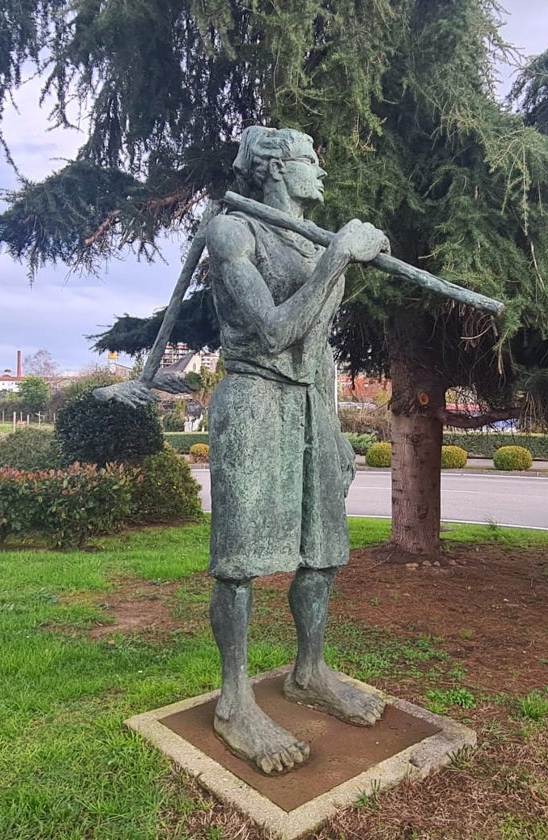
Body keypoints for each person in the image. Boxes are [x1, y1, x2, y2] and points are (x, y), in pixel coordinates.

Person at [204, 126, 390, 774]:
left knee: (323, 550)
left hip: (309, 403)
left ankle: (308, 671)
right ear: (279, 168)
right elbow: (278, 329)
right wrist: (340, 256)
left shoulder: (311, 243)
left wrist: (333, 424)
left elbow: (316, 347)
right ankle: (234, 701)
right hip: (255, 397)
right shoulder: (234, 232)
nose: (322, 175)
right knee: (241, 562)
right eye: (314, 161)